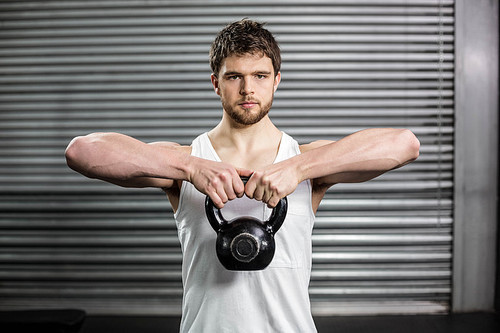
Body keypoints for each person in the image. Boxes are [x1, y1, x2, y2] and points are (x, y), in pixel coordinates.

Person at [65, 19, 420, 333]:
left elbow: (404, 144)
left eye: (260, 76)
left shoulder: (308, 161)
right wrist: (190, 169)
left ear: (276, 81)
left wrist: (298, 168)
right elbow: (82, 151)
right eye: (234, 76)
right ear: (215, 83)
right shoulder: (184, 161)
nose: (248, 89)